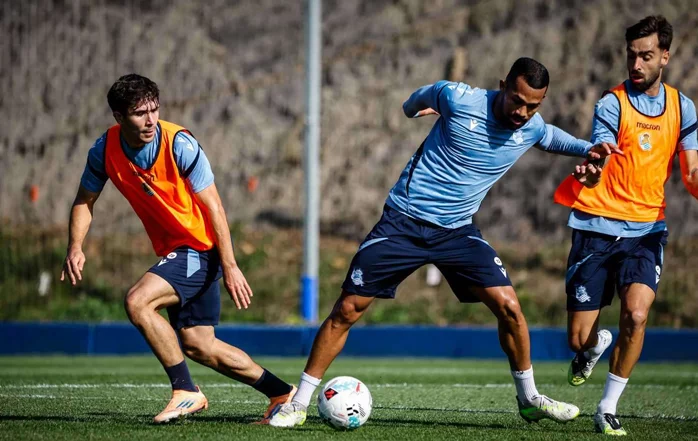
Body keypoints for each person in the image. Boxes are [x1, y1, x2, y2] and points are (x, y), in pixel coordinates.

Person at [269, 57, 621, 428]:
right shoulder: (458, 98)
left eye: (532, 105)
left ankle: (529, 398)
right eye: (517, 100)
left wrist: (590, 148)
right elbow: (419, 98)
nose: (522, 112)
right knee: (347, 309)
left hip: (456, 232)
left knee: (509, 307)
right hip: (404, 221)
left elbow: (550, 137)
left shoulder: (530, 127)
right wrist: (413, 110)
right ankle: (298, 404)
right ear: (503, 85)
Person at [61, 74, 296, 424]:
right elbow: (85, 199)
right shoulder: (104, 150)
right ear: (119, 116)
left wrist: (231, 265)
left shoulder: (179, 144)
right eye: (140, 113)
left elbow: (215, 207)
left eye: (154, 110)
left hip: (200, 248)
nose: (151, 120)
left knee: (138, 301)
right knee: (200, 345)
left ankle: (186, 391)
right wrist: (75, 246)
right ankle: (282, 393)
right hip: (179, 251)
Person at [554, 16, 698, 436]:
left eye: (646, 56)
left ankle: (607, 407)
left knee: (636, 314)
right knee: (578, 339)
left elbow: (691, 173)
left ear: (665, 56)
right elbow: (599, 157)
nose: (636, 64)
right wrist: (592, 169)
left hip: (647, 230)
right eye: (632, 55)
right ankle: (593, 346)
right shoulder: (611, 104)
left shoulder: (683, 108)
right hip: (596, 227)